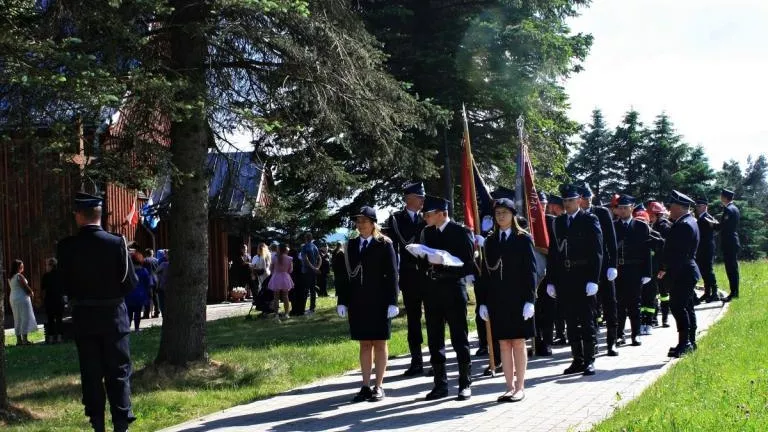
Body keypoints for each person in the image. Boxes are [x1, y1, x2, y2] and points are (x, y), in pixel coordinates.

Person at [57, 192, 138, 432]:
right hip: (114, 316)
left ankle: (98, 424)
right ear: (99, 215)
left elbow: (62, 284)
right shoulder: (116, 243)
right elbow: (129, 282)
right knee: (119, 372)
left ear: (80, 216)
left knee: (91, 374)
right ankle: (121, 423)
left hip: (84, 319)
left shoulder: (67, 247)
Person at [476, 198, 537, 403]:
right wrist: (483, 301)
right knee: (503, 344)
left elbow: (531, 271)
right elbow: (486, 274)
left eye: (504, 212)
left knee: (518, 343)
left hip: (518, 298)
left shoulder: (523, 239)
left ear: (512, 214)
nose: (500, 216)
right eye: (497, 213)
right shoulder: (491, 241)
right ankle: (508, 387)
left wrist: (530, 300)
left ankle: (520, 387)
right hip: (497, 299)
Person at [336, 206, 399, 402]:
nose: (360, 224)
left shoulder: (384, 244)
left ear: (373, 223)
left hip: (380, 301)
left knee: (379, 343)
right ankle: (365, 385)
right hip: (358, 301)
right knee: (364, 344)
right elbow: (344, 276)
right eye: (358, 221)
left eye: (364, 221)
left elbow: (392, 274)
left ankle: (379, 386)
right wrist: (342, 301)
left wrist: (392, 301)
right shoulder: (351, 245)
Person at [419, 195, 476, 400]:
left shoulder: (461, 232)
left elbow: (468, 262)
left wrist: (448, 261)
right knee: (434, 339)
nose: (426, 217)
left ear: (442, 213)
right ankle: (440, 384)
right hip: (433, 289)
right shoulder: (427, 233)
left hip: (453, 287)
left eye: (429, 214)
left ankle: (464, 383)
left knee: (459, 337)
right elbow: (423, 263)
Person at [546, 184, 603, 376]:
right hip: (565, 277)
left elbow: (597, 251)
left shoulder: (589, 219)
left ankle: (589, 360)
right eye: (565, 201)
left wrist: (594, 279)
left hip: (583, 276)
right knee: (570, 321)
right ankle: (577, 359)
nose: (567, 204)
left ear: (579, 200)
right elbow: (554, 253)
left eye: (571, 200)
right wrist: (551, 280)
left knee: (586, 320)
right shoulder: (559, 222)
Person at [384, 181, 427, 376]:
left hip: (429, 274)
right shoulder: (396, 220)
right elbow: (392, 250)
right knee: (414, 319)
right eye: (419, 198)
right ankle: (416, 360)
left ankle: (436, 360)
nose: (422, 201)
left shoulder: (427, 218)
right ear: (409, 198)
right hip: (409, 275)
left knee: (435, 317)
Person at [658, 190, 701, 358]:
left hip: (682, 271)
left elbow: (677, 253)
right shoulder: (689, 221)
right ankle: (689, 342)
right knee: (687, 306)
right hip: (685, 270)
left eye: (672, 206)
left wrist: (667, 271)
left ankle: (686, 343)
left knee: (678, 307)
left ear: (679, 207)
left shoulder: (684, 224)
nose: (670, 210)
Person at [577, 183, 619, 357]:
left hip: (604, 265)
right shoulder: (575, 216)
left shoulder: (601, 213)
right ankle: (591, 342)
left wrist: (613, 265)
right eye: (583, 198)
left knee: (610, 303)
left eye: (588, 197)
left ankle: (612, 342)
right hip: (586, 267)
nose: (586, 201)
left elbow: (611, 240)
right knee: (590, 307)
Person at [613, 195, 652, 347]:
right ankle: (619, 334)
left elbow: (646, 251)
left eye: (625, 207)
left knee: (634, 304)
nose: (622, 210)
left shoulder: (641, 226)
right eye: (620, 208)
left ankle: (635, 335)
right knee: (619, 304)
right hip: (618, 270)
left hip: (635, 269)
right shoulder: (613, 226)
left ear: (632, 207)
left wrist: (647, 273)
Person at [546, 194, 568, 346]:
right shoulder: (555, 222)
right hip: (559, 270)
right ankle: (560, 333)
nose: (548, 208)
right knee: (559, 305)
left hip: (572, 269)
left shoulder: (562, 222)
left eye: (550, 206)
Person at [648, 201, 673, 327]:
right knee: (655, 293)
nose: (650, 217)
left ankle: (664, 318)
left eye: (652, 215)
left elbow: (666, 249)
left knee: (664, 293)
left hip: (662, 266)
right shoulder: (651, 225)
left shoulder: (665, 228)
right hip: (654, 265)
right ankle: (655, 318)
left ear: (657, 215)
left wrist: (664, 267)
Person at [694, 198, 720, 303]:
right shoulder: (700, 218)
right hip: (701, 248)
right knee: (704, 271)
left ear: (704, 207)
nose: (697, 208)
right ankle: (707, 293)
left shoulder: (707, 217)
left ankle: (714, 293)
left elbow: (717, 227)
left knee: (708, 270)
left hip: (707, 248)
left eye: (699, 206)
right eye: (697, 206)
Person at [9, 259, 38, 346]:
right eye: (21, 265)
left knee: (17, 318)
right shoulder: (19, 276)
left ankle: (19, 341)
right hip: (22, 298)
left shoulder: (10, 277)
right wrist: (31, 293)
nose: (23, 267)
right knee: (25, 317)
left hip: (13, 298)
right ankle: (25, 340)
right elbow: (25, 287)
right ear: (18, 267)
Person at [719, 188, 740, 302]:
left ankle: (734, 293)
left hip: (729, 242)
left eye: (721, 196)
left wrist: (713, 225)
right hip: (732, 241)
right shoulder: (735, 208)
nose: (720, 198)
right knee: (733, 268)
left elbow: (724, 226)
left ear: (725, 197)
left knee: (731, 269)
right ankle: (735, 292)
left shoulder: (728, 209)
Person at [265, 244, 294, 317]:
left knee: (276, 297)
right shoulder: (289, 258)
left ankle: (276, 314)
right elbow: (290, 270)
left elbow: (271, 269)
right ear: (285, 250)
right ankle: (287, 313)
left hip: (276, 277)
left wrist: (274, 272)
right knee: (285, 296)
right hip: (285, 277)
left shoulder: (274, 258)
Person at [125, 253, 151, 332]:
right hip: (140, 295)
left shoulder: (128, 272)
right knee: (138, 312)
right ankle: (136, 328)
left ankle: (127, 328)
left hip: (129, 295)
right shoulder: (144, 271)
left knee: (129, 313)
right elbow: (148, 284)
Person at [42, 257, 65, 344]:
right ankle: (59, 338)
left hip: (49, 300)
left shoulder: (46, 276)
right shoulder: (61, 275)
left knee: (50, 319)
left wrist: (42, 300)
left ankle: (51, 338)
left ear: (50, 266)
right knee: (59, 319)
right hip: (59, 299)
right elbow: (64, 288)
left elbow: (43, 289)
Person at [300, 233, 321, 315]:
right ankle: (312, 308)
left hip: (306, 271)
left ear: (305, 238)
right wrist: (317, 268)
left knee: (305, 290)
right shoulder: (315, 247)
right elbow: (320, 258)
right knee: (312, 290)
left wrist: (313, 267)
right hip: (313, 271)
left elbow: (305, 259)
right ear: (312, 238)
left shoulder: (304, 247)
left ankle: (302, 309)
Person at [143, 248, 160, 318]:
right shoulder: (157, 260)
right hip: (156, 279)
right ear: (152, 253)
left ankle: (147, 314)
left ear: (146, 253)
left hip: (148, 280)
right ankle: (157, 312)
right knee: (155, 297)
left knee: (148, 297)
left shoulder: (145, 260)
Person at [156, 250, 170, 316]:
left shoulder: (164, 264)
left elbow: (156, 271)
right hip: (172, 288)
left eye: (166, 254)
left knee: (162, 303)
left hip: (162, 286)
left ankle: (164, 316)